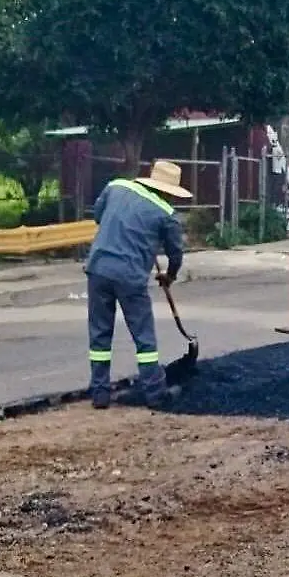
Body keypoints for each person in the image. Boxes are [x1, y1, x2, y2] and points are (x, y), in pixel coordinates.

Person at [85, 160, 191, 409]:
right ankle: (155, 393)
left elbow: (99, 217)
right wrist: (169, 276)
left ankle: (99, 394)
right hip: (130, 277)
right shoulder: (166, 214)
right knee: (144, 338)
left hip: (98, 269)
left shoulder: (116, 187)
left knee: (99, 334)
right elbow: (176, 255)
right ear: (168, 191)